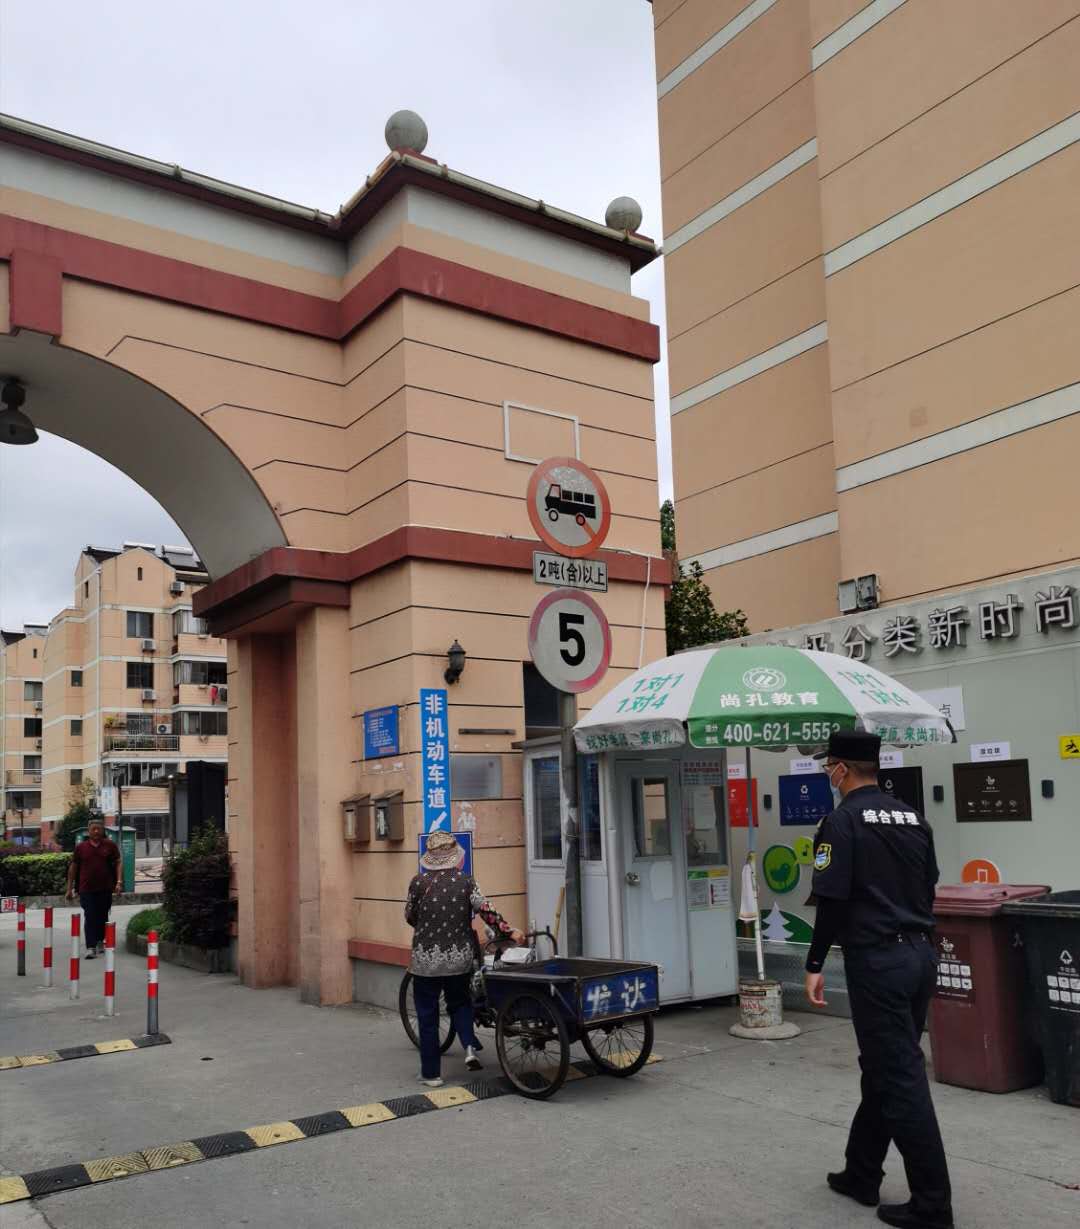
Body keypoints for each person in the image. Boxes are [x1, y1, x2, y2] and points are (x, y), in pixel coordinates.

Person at [804, 730, 952, 1229]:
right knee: (885, 1068)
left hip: (878, 962)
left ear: (842, 769)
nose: (828, 774)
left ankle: (933, 1204)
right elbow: (929, 884)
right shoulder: (913, 817)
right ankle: (861, 1172)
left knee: (901, 1078)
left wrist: (814, 963)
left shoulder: (841, 822)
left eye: (828, 766)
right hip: (919, 956)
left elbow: (832, 899)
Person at [404, 830, 524, 1088]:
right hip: (459, 957)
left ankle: (431, 1074)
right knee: (460, 1002)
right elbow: (486, 910)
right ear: (455, 856)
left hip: (425, 960)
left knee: (427, 1013)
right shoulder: (466, 881)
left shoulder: (418, 882)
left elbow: (410, 916)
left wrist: (427, 926)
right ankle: (469, 1045)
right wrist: (507, 930)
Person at [65, 819, 121, 960]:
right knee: (90, 916)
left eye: (99, 829)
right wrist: (69, 888)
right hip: (86, 889)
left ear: (103, 831)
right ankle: (90, 947)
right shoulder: (81, 848)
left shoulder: (110, 845)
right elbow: (73, 867)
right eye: (93, 829)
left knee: (102, 915)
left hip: (105, 888)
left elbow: (118, 862)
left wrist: (119, 882)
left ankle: (100, 940)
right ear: (88, 831)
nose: (96, 831)